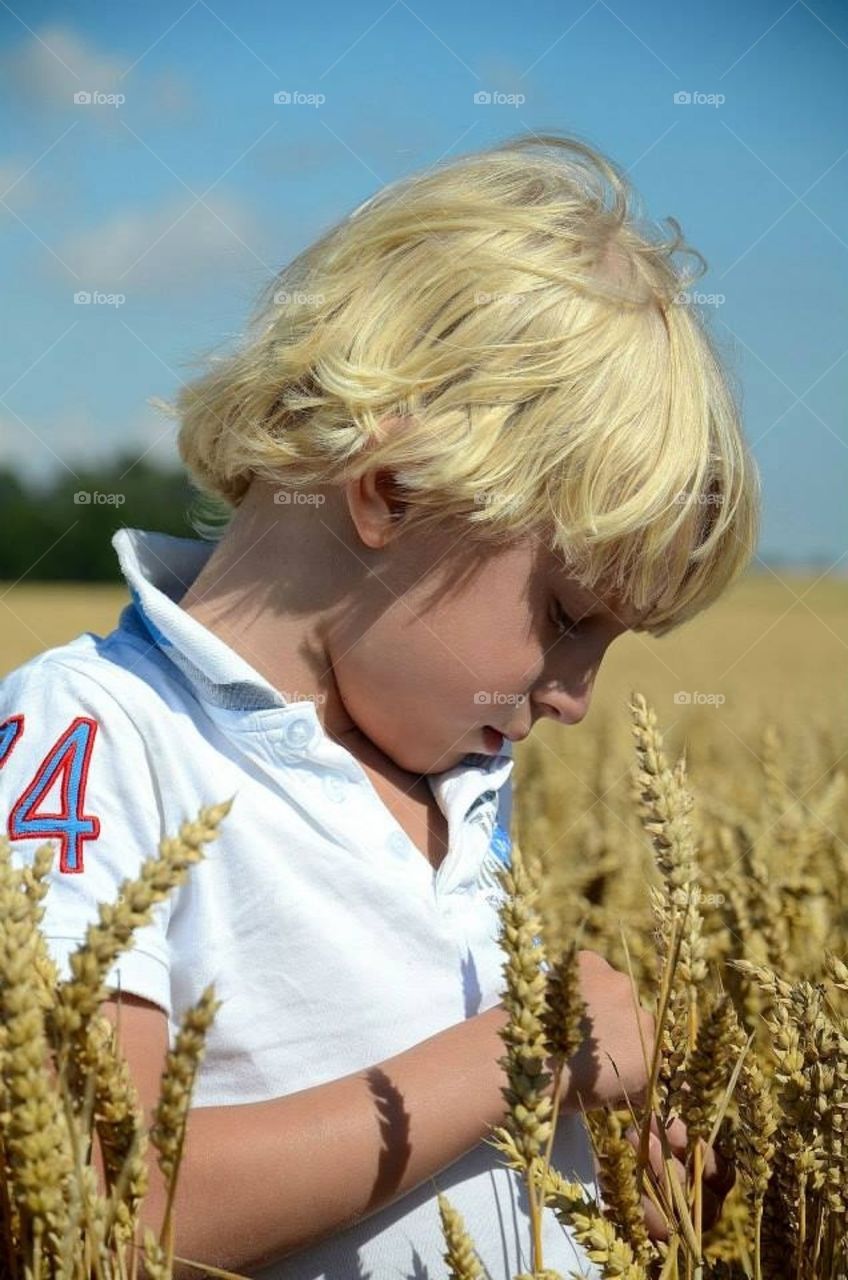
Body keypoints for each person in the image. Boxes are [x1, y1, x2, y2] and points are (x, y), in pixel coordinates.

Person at [0, 130, 757, 1279]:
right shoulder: (90, 737)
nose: (573, 699)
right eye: (561, 614)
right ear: (392, 492)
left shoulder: (454, 785)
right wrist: (526, 1048)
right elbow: (92, 1200)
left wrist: (606, 1188)